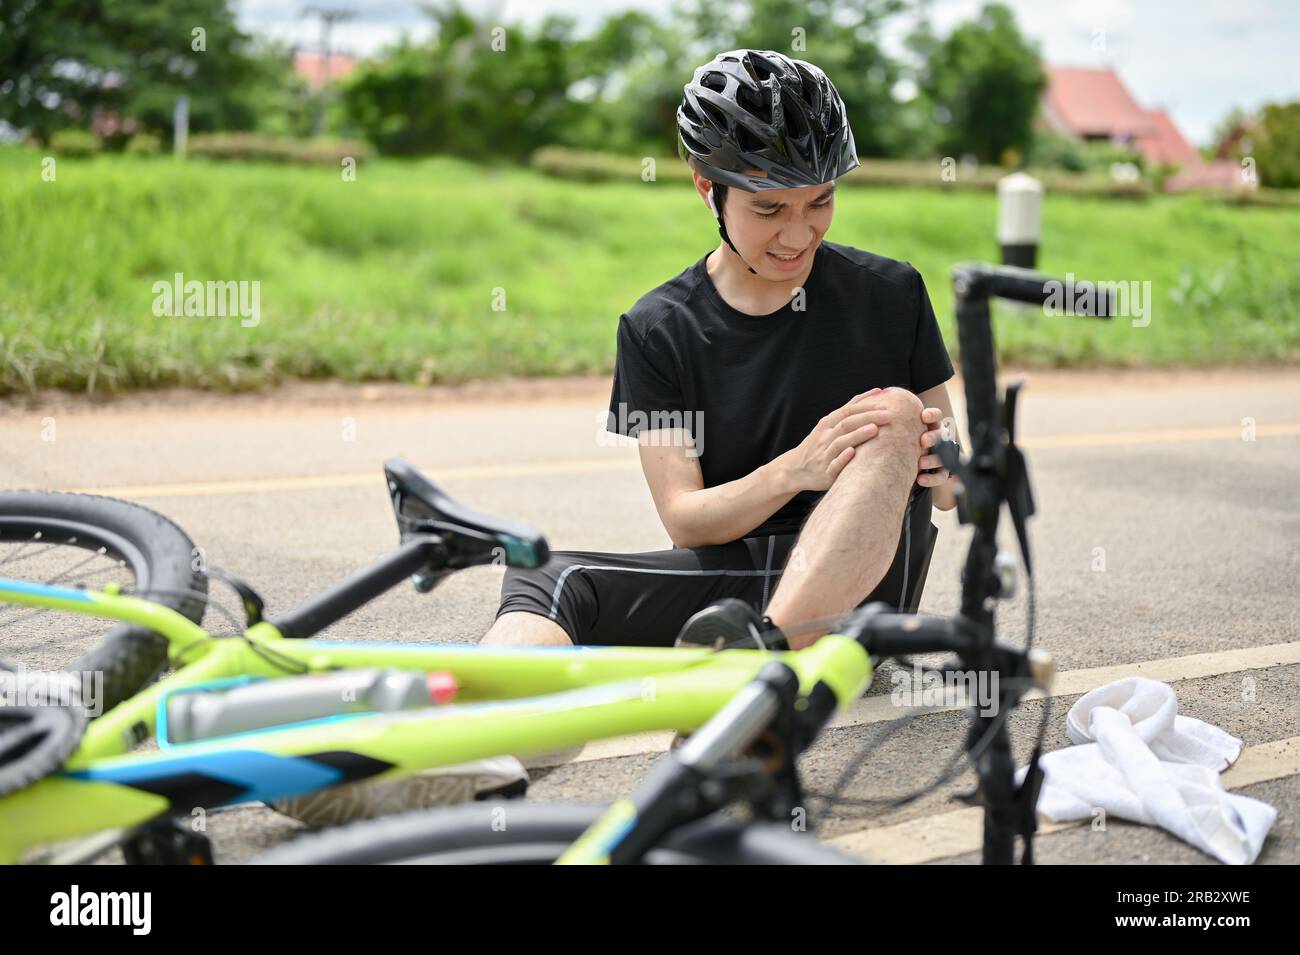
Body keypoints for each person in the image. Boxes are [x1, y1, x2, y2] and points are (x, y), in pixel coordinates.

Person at [482, 49, 959, 652]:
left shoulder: (893, 293)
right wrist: (799, 467)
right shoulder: (655, 328)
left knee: (893, 414)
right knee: (545, 578)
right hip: (740, 586)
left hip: (867, 579)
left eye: (820, 201)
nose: (798, 233)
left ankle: (768, 661)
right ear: (708, 191)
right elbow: (685, 522)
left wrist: (945, 462)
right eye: (769, 208)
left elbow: (949, 492)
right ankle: (478, 743)